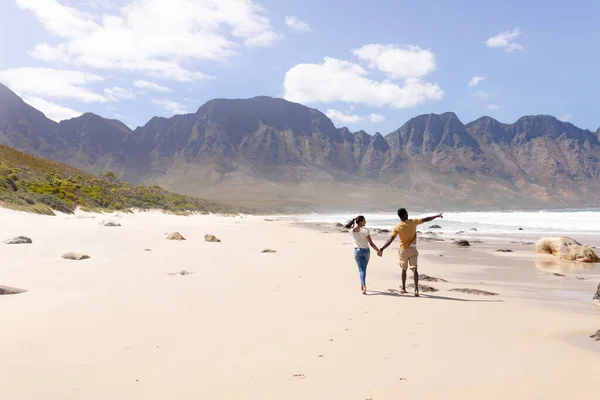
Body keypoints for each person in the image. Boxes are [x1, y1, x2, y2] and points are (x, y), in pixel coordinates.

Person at [379, 208, 443, 297]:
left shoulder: (397, 227)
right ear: (404, 215)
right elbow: (426, 219)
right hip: (412, 249)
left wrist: (382, 249)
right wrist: (436, 216)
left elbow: (390, 240)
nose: (408, 214)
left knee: (404, 270)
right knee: (415, 269)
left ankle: (403, 288)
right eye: (406, 213)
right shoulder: (413, 222)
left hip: (403, 250)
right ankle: (416, 290)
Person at [345, 215, 381, 294]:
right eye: (364, 220)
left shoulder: (352, 231)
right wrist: (378, 251)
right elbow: (371, 243)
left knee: (362, 270)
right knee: (363, 269)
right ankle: (364, 286)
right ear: (360, 221)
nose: (365, 222)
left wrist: (352, 225)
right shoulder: (365, 231)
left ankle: (362, 285)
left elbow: (349, 228)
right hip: (366, 252)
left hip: (357, 251)